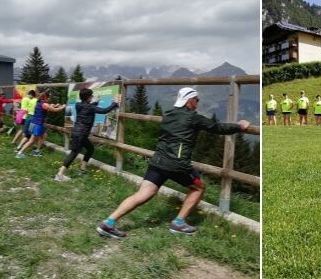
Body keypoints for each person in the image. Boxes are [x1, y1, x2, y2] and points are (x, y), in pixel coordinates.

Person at [96, 88, 251, 237]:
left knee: (143, 193)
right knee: (199, 188)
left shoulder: (168, 114)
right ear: (189, 101)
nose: (197, 103)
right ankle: (179, 222)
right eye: (196, 100)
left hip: (157, 161)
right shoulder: (193, 117)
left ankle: (109, 222)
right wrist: (240, 126)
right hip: (177, 164)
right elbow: (217, 127)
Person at [55, 89, 119, 181]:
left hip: (78, 133)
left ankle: (82, 169)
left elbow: (88, 108)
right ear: (88, 97)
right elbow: (104, 110)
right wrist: (115, 103)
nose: (92, 97)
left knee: (90, 149)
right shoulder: (89, 107)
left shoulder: (78, 105)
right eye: (91, 96)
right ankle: (60, 174)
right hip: (81, 134)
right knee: (74, 153)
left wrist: (95, 102)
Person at [16, 91, 66, 158]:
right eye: (48, 98)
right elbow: (54, 110)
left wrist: (55, 105)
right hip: (38, 124)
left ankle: (37, 151)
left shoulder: (38, 102)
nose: (49, 99)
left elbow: (48, 107)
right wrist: (63, 107)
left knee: (44, 136)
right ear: (46, 98)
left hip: (33, 123)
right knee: (32, 140)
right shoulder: (44, 104)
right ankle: (20, 153)